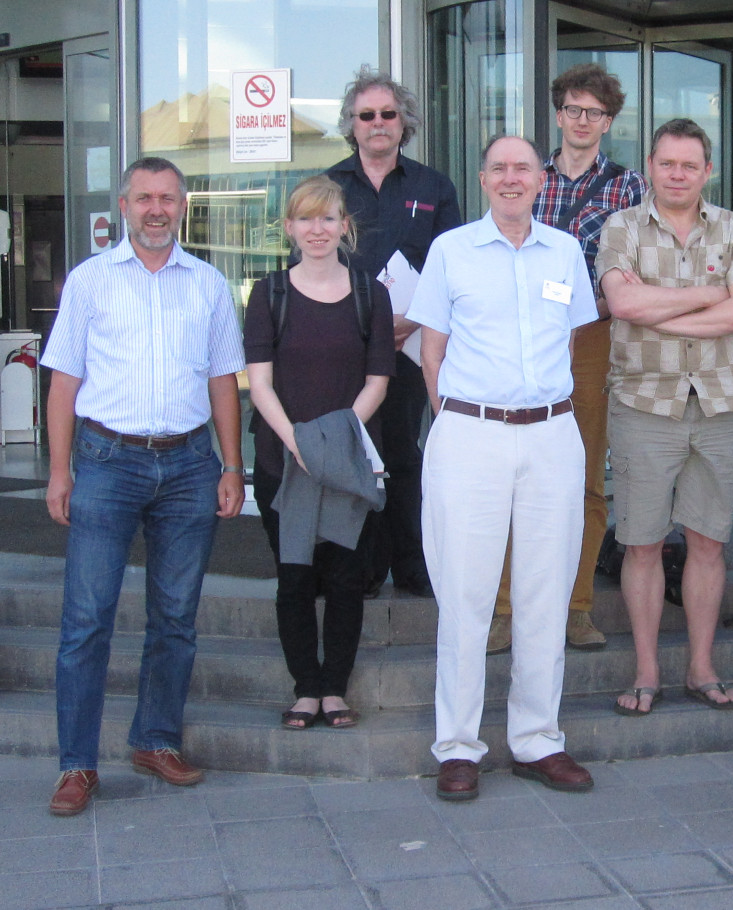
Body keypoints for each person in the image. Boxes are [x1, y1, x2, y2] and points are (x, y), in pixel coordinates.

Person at [41, 157, 245, 816]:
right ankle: (77, 764)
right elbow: (64, 382)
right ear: (124, 205)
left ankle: (155, 739)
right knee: (86, 621)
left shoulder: (209, 284)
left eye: (168, 199)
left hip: (189, 466)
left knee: (176, 619)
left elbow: (222, 381)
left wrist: (231, 464)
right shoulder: (90, 281)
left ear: (183, 206)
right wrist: (59, 468)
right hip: (106, 460)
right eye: (145, 198)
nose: (157, 209)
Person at [412, 135, 599, 801]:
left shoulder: (567, 251)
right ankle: (459, 746)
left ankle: (537, 740)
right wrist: (468, 417)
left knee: (546, 592)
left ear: (541, 179)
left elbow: (571, 340)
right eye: (500, 168)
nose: (512, 178)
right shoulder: (450, 251)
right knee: (465, 595)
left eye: (524, 167)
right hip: (471, 435)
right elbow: (430, 352)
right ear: (484, 179)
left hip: (551, 435)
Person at [597, 118, 733, 715]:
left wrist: (659, 311)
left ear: (708, 171)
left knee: (708, 542)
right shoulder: (620, 227)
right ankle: (646, 672)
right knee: (642, 544)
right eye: (667, 163)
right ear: (649, 165)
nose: (677, 174)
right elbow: (621, 303)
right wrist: (709, 295)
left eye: (689, 165)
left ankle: (702, 667)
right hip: (644, 403)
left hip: (719, 404)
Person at [486, 62, 647, 655]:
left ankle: (576, 607)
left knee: (583, 479)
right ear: (559, 115)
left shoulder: (629, 187)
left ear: (609, 121)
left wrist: (605, 297)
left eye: (596, 112)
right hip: (518, 338)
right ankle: (505, 609)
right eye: (574, 109)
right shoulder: (528, 176)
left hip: (593, 337)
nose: (583, 121)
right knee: (511, 480)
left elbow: (636, 265)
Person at [244, 175, 395, 731]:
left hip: (350, 463)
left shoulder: (368, 294)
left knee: (346, 579)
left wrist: (331, 443)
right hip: (284, 464)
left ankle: (336, 689)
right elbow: (260, 385)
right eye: (306, 219)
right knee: (295, 579)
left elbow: (379, 380)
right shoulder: (269, 294)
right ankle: (305, 687)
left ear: (344, 227)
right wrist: (301, 445)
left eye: (328, 218)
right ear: (289, 228)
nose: (316, 229)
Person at [326, 65, 462, 598]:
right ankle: (358, 569)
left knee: (405, 453)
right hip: (346, 344)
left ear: (404, 122)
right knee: (354, 453)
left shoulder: (434, 186)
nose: (378, 123)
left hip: (410, 344)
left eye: (388, 114)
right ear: (352, 125)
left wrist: (411, 324)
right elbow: (310, 262)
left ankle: (412, 565)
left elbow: (452, 267)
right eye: (367, 115)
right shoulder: (328, 187)